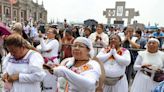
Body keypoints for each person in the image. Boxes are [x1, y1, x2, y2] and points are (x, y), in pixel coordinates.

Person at [36, 27, 60, 92]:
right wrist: (44, 47)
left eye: (50, 32)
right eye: (48, 32)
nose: (48, 33)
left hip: (51, 62)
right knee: (45, 79)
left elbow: (44, 48)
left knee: (50, 80)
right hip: (45, 62)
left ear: (54, 34)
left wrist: (41, 39)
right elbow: (38, 48)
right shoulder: (47, 40)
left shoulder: (55, 41)